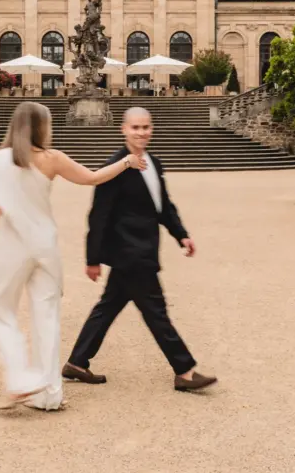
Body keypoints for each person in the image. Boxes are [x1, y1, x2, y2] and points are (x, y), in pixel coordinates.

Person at [0, 101, 146, 411]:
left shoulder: (1, 160)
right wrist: (126, 163)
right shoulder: (52, 158)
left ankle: (20, 380)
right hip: (45, 246)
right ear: (43, 127)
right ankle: (49, 395)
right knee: (47, 316)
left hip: (14, 245)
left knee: (1, 309)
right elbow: (92, 178)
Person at [63, 107, 217, 392]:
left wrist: (181, 235)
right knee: (156, 311)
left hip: (143, 249)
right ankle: (184, 370)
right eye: (135, 127)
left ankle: (77, 362)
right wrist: (92, 258)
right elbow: (98, 216)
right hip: (131, 253)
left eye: (146, 127)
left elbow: (163, 206)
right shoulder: (115, 166)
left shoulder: (154, 163)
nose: (141, 132)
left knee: (108, 307)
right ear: (123, 130)